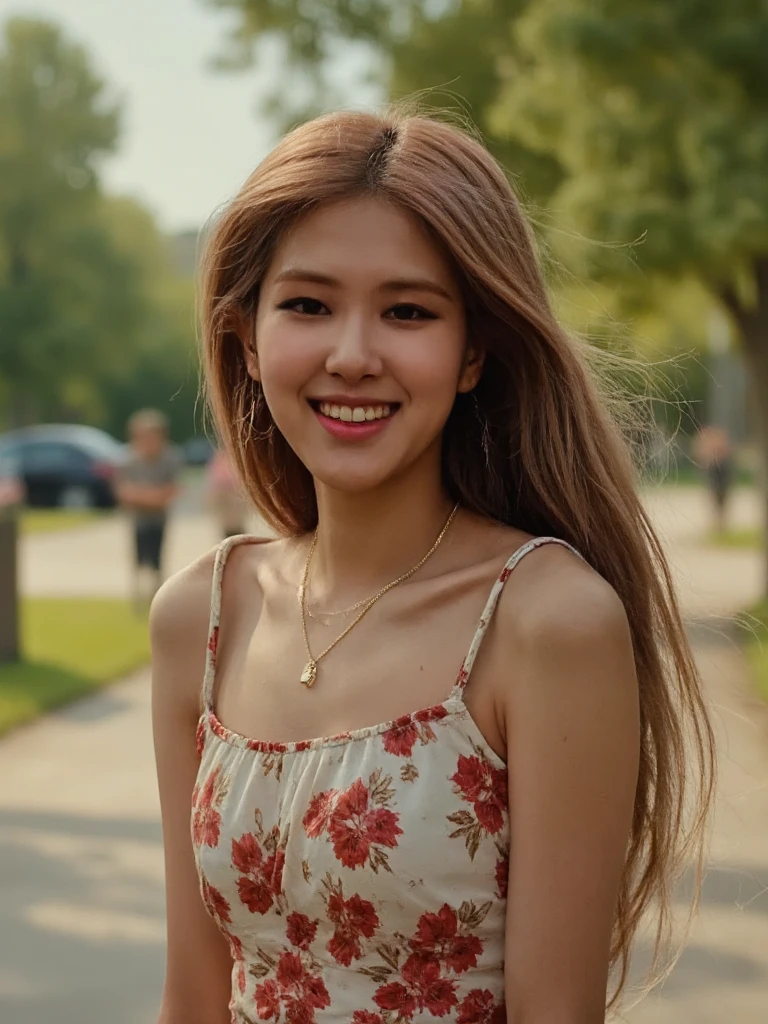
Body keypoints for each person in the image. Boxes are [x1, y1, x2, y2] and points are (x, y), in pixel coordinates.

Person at [150, 110, 716, 1024]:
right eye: (308, 304)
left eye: (408, 311)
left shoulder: (546, 623)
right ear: (246, 340)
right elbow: (190, 995)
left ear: (472, 354)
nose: (353, 354)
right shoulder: (201, 616)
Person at [116, 409, 181, 609]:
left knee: (157, 557)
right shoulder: (129, 459)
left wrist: (144, 496)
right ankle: (138, 597)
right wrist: (152, 496)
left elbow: (171, 491)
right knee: (138, 557)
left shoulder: (169, 458)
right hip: (138, 519)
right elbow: (124, 492)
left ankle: (156, 595)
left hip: (158, 519)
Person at [693, 424, 734, 534]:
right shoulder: (712, 454)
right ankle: (719, 525)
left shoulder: (722, 453)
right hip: (716, 481)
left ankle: (721, 525)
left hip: (721, 481)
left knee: (721, 504)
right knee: (717, 503)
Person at [206, 446, 250, 540]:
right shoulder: (220, 459)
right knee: (228, 523)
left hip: (234, 493)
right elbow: (214, 480)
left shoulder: (236, 458)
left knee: (236, 523)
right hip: (226, 494)